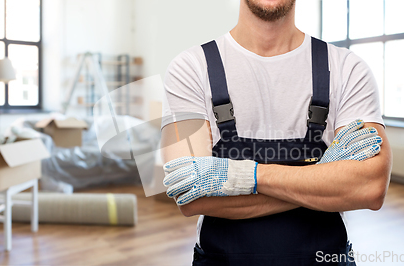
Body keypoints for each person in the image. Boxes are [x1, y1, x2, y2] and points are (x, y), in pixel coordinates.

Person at [160, 0, 392, 265]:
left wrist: (240, 176)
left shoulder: (348, 69)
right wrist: (323, 176)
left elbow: (371, 188)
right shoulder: (190, 68)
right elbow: (189, 196)